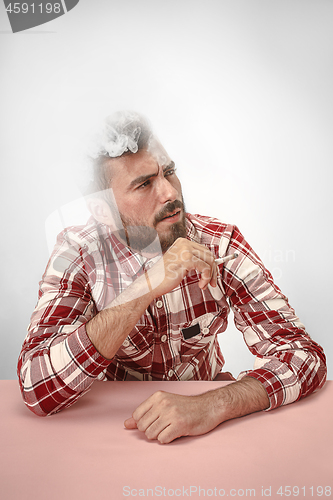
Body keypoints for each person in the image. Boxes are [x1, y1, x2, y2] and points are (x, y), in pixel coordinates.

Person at [18, 111, 327, 444]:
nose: (169, 193)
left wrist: (212, 404)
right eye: (144, 184)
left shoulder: (219, 244)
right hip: (111, 431)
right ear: (102, 211)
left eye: (169, 172)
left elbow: (303, 355)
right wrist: (146, 286)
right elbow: (36, 386)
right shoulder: (78, 253)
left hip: (207, 433)